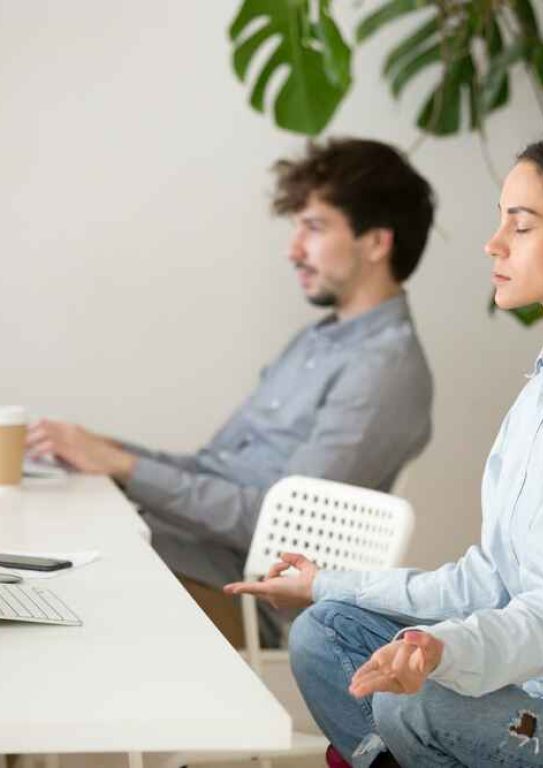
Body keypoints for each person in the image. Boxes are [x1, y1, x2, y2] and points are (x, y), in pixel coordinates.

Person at [225, 126, 543, 768]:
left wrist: (442, 653)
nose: (493, 244)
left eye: (521, 226)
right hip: (532, 695)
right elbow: (488, 578)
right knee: (326, 629)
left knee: (420, 701)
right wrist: (327, 582)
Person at [27, 138, 435, 648]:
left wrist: (123, 467)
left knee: (52, 591)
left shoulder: (385, 371)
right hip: (188, 554)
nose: (293, 251)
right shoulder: (316, 341)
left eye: (313, 227)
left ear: (376, 243)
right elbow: (214, 467)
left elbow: (284, 532)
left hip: (243, 599)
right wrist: (106, 451)